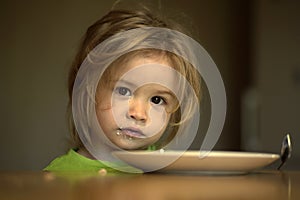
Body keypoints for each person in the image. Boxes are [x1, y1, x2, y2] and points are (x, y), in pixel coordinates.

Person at [44, 8, 201, 173]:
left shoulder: (167, 172)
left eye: (157, 100)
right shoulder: (57, 176)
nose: (139, 114)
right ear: (87, 88)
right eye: (123, 91)